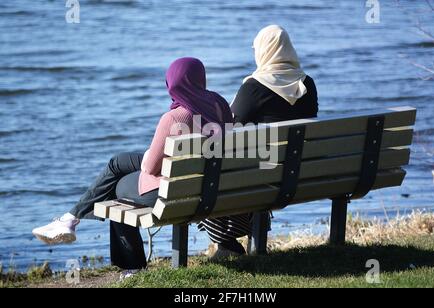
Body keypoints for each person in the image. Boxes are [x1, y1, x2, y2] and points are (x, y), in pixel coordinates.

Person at [32, 57, 233, 270]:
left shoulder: (175, 117)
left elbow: (149, 167)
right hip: (212, 187)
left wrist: (150, 155)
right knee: (117, 162)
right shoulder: (220, 104)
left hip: (175, 192)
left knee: (118, 189)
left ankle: (129, 265)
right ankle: (70, 218)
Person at [198, 25, 319, 253]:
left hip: (261, 175)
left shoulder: (254, 87)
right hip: (299, 174)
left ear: (264, 51)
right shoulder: (307, 84)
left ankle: (225, 242)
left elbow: (230, 130)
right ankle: (237, 239)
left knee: (211, 166)